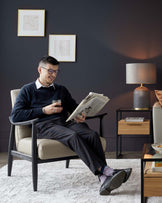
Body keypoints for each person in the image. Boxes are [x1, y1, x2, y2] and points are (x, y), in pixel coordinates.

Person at [10, 55, 132, 195]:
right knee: (73, 136)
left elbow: (73, 107)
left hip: (66, 122)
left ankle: (104, 178)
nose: (53, 74)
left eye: (56, 71)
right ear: (40, 70)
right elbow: (15, 115)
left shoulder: (61, 89)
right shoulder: (27, 90)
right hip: (44, 126)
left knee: (92, 135)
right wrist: (43, 110)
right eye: (50, 71)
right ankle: (107, 171)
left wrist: (80, 114)